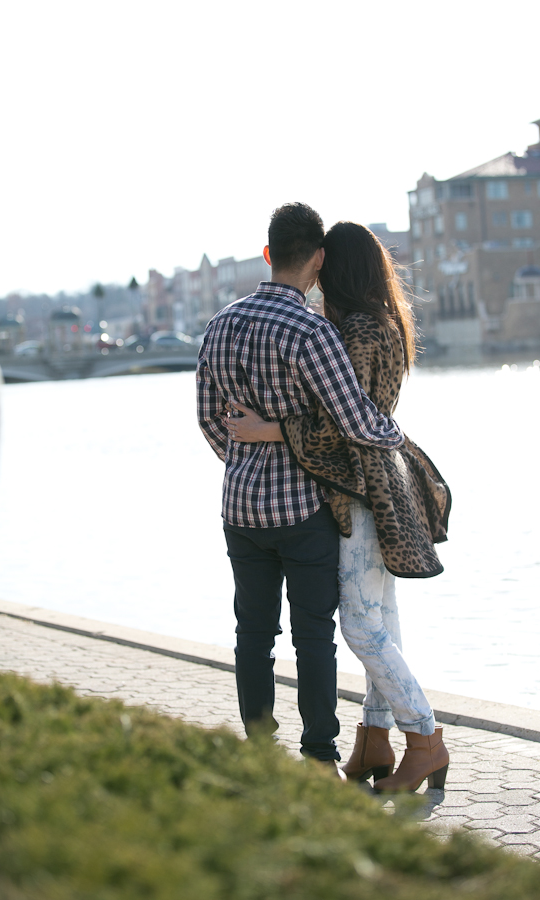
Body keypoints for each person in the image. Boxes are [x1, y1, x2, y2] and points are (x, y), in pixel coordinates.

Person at [225, 221, 451, 793]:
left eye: (323, 268)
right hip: (377, 484)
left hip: (359, 490)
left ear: (335, 267)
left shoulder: (356, 331)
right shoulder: (376, 321)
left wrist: (268, 431)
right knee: (382, 620)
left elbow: (343, 426)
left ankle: (424, 739)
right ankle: (375, 739)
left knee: (358, 623)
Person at [196, 204, 405, 775]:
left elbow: (210, 422)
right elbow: (355, 421)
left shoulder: (220, 325)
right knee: (314, 636)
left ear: (268, 255)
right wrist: (403, 445)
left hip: (239, 510)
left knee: (252, 633)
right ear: (316, 261)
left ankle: (261, 754)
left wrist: (245, 458)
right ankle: (317, 758)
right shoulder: (313, 331)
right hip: (304, 510)